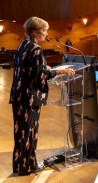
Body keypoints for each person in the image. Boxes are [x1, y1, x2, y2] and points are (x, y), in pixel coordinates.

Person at [10, 17, 75, 175]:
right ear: (34, 32)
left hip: (18, 96)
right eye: (44, 30)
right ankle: (27, 168)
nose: (46, 33)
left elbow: (27, 67)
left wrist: (44, 67)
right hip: (29, 98)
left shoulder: (23, 45)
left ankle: (21, 165)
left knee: (20, 133)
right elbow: (40, 75)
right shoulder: (36, 48)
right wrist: (61, 71)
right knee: (30, 133)